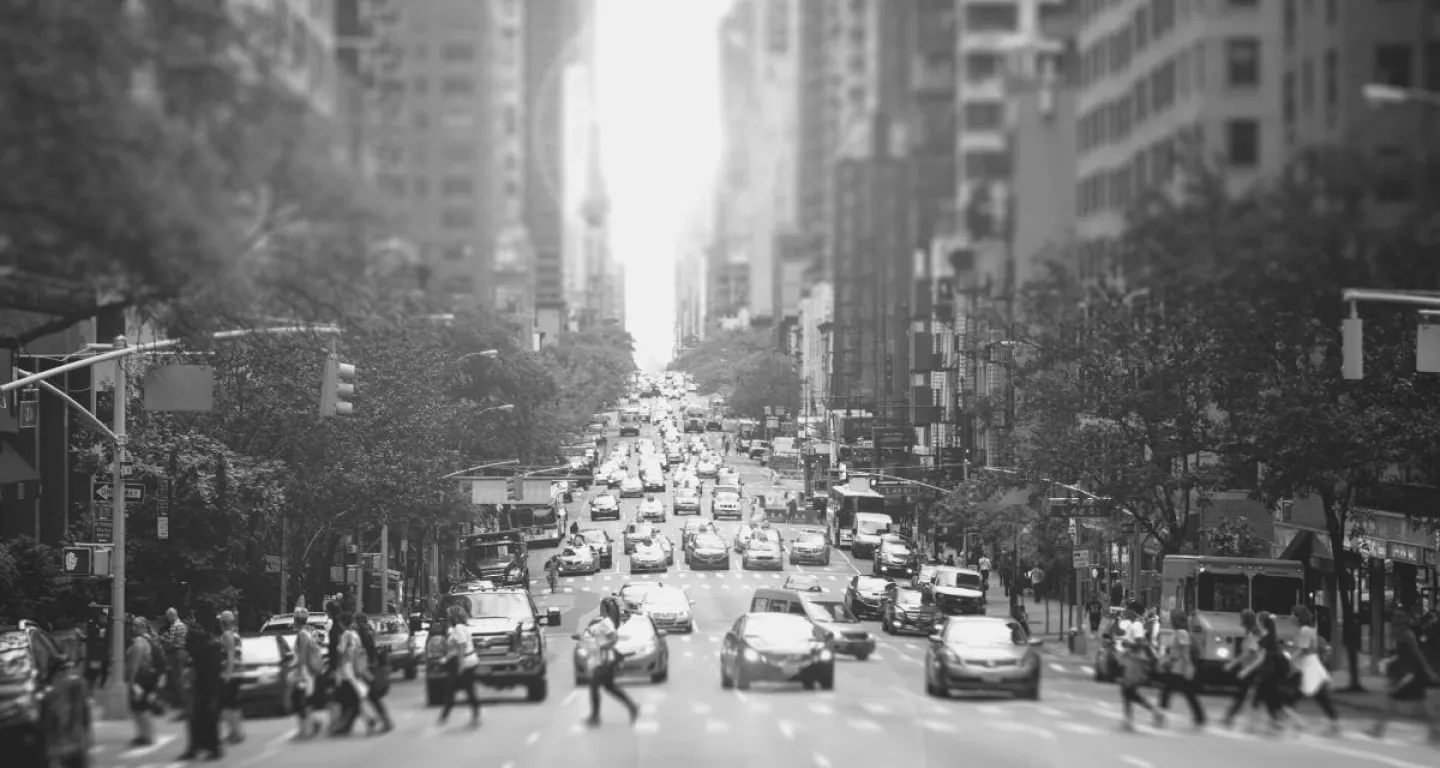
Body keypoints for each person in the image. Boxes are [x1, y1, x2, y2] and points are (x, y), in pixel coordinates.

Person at [1369, 608, 1440, 743]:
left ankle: (1378, 729)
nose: (1394, 619)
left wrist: (1428, 671)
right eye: (1394, 616)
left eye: (1398, 617)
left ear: (1404, 620)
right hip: (1406, 673)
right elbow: (1402, 654)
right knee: (1422, 703)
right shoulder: (1398, 633)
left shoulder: (1407, 634)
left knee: (1393, 700)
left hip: (1409, 674)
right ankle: (1434, 733)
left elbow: (1418, 653)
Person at [579, 597, 638, 727]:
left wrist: (605, 646)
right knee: (610, 687)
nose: (599, 609)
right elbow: (597, 633)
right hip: (605, 660)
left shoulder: (607, 622)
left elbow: (614, 638)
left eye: (601, 607)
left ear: (605, 609)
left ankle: (595, 717)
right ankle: (632, 706)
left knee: (594, 686)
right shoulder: (606, 622)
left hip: (605, 660)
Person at [179, 604, 224, 761]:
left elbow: (196, 655)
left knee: (207, 716)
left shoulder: (211, 641)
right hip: (202, 681)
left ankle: (211, 747)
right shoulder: (206, 638)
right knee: (198, 717)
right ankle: (199, 747)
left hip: (208, 683)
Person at [1290, 605, 1340, 736]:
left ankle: (1297, 722)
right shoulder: (1307, 630)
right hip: (1309, 664)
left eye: (1292, 614)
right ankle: (1332, 725)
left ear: (1297, 617)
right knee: (1320, 697)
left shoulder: (1305, 630)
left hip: (1309, 665)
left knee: (1311, 695)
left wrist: (1291, 661)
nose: (1290, 617)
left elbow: (1302, 649)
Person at [1156, 610, 1206, 730]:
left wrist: (1189, 667)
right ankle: (1199, 718)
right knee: (1180, 693)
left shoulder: (1182, 633)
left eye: (1172, 619)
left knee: (1176, 693)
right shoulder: (1178, 632)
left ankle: (1199, 718)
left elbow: (1185, 652)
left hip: (1180, 669)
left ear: (1176, 620)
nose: (1170, 621)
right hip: (1175, 668)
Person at [1117, 603, 1162, 732]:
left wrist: (1128, 645)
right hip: (1134, 661)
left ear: (1133, 611)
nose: (1125, 611)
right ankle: (1130, 720)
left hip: (1136, 662)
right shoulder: (1135, 624)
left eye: (1127, 609)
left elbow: (1141, 642)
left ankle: (1152, 714)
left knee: (1127, 690)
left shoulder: (1136, 625)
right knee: (1128, 691)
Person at [437, 605, 481, 728]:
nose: (446, 618)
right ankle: (445, 715)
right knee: (461, 689)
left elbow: (462, 646)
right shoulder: (460, 628)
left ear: (453, 617)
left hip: (464, 662)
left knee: (457, 689)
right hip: (466, 661)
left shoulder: (458, 628)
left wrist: (461, 665)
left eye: (448, 616)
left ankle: (445, 715)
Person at [287, 609, 323, 739]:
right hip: (307, 671)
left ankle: (306, 729)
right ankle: (312, 724)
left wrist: (300, 672)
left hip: (304, 672)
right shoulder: (308, 632)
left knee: (299, 700)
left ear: (295, 620)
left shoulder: (302, 634)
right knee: (302, 700)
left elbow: (302, 654)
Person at [125, 617, 159, 747]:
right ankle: (144, 735)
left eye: (137, 626)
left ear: (144, 627)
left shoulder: (139, 641)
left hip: (140, 678)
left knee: (140, 708)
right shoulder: (149, 638)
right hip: (148, 677)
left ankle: (146, 736)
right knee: (141, 708)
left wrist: (130, 682)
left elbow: (134, 664)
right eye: (133, 625)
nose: (134, 628)